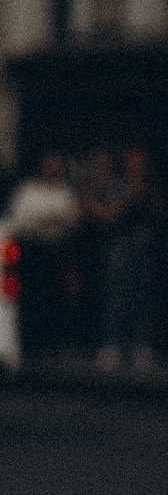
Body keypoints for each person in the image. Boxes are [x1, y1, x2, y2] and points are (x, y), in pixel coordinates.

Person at [4, 148, 80, 366]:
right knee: (33, 296)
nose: (52, 168)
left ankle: (52, 344)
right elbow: (19, 220)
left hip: (55, 250)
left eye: (56, 164)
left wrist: (50, 219)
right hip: (33, 251)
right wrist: (48, 218)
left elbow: (71, 218)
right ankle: (32, 344)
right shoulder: (27, 191)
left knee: (53, 297)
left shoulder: (64, 192)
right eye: (49, 163)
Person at [99, 141, 160, 372]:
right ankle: (111, 346)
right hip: (120, 244)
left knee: (142, 296)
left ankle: (141, 347)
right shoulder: (115, 184)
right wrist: (129, 196)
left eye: (139, 159)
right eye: (132, 158)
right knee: (117, 295)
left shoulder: (151, 183)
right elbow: (109, 214)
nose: (136, 163)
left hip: (144, 244)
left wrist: (147, 197)